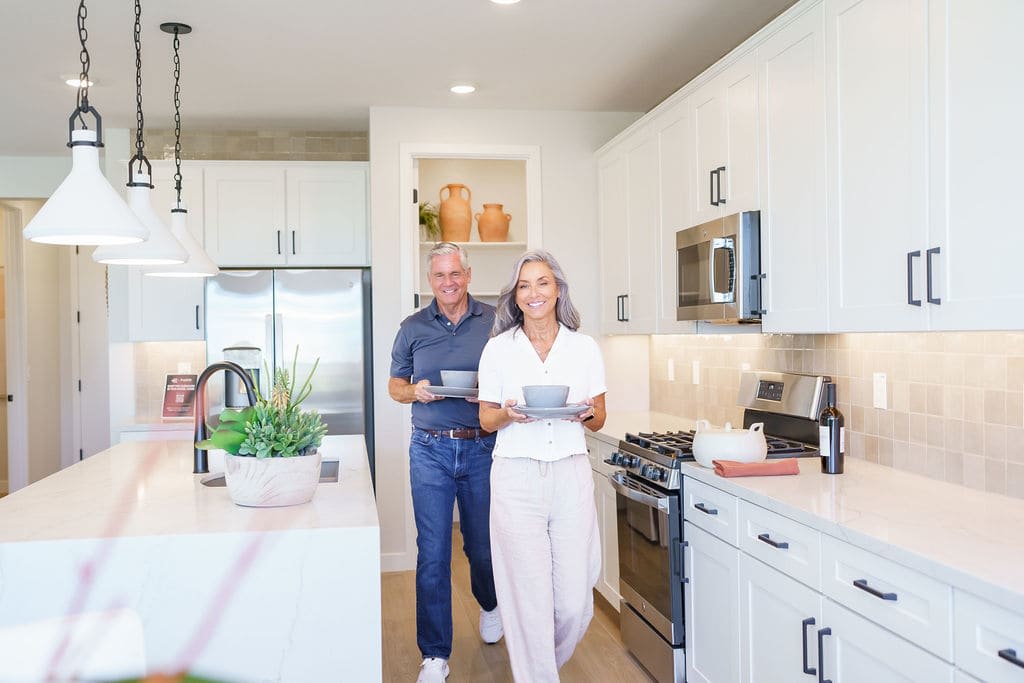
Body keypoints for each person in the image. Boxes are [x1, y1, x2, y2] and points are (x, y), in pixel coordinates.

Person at [477, 250, 607, 682]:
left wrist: (583, 411)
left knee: (573, 600)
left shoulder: (583, 347)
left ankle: (540, 663)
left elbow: (599, 416)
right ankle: (537, 675)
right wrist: (509, 414)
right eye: (524, 285)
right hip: (516, 476)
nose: (534, 293)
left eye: (542, 283)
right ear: (515, 296)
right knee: (528, 597)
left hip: (570, 473)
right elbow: (486, 419)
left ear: (557, 290)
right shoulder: (498, 349)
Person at [388, 242, 503, 683]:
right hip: (430, 449)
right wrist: (413, 391)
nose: (448, 282)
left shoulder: (495, 322)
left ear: (469, 274)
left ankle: (491, 604)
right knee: (432, 552)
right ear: (429, 280)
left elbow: (513, 373)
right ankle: (434, 654)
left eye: (455, 274)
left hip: (483, 447)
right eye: (439, 276)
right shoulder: (413, 326)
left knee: (482, 545)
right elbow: (395, 386)